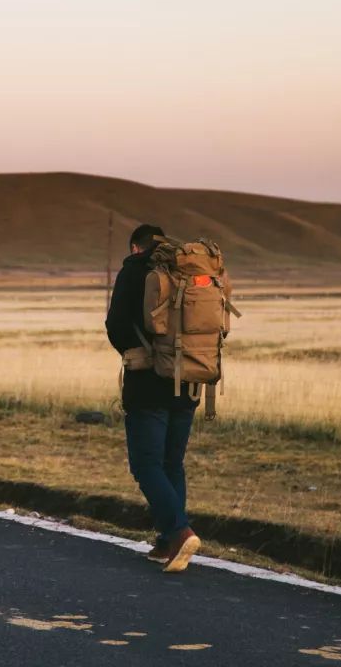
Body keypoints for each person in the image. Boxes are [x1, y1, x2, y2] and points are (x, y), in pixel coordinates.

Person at [105, 223, 202, 573]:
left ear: (135, 247)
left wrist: (134, 354)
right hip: (189, 379)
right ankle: (166, 544)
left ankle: (179, 531)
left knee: (146, 465)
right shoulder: (187, 268)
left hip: (148, 382)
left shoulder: (134, 270)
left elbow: (115, 325)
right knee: (171, 463)